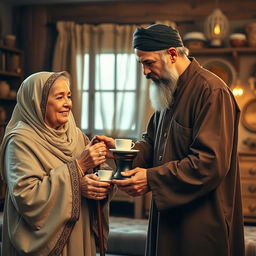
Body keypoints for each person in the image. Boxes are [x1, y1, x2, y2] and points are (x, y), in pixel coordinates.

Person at [97, 24, 245, 256]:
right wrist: (118, 150)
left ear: (172, 54)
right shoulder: (169, 89)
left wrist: (151, 179)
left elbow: (210, 162)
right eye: (141, 64)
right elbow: (152, 144)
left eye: (148, 63)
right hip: (168, 216)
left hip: (201, 220)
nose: (145, 72)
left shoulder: (212, 91)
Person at [0, 71, 113, 256]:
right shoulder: (20, 141)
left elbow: (97, 171)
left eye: (68, 96)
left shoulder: (75, 134)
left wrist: (101, 180)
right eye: (59, 97)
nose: (68, 103)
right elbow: (26, 197)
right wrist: (78, 170)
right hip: (43, 240)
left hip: (80, 233)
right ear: (38, 101)